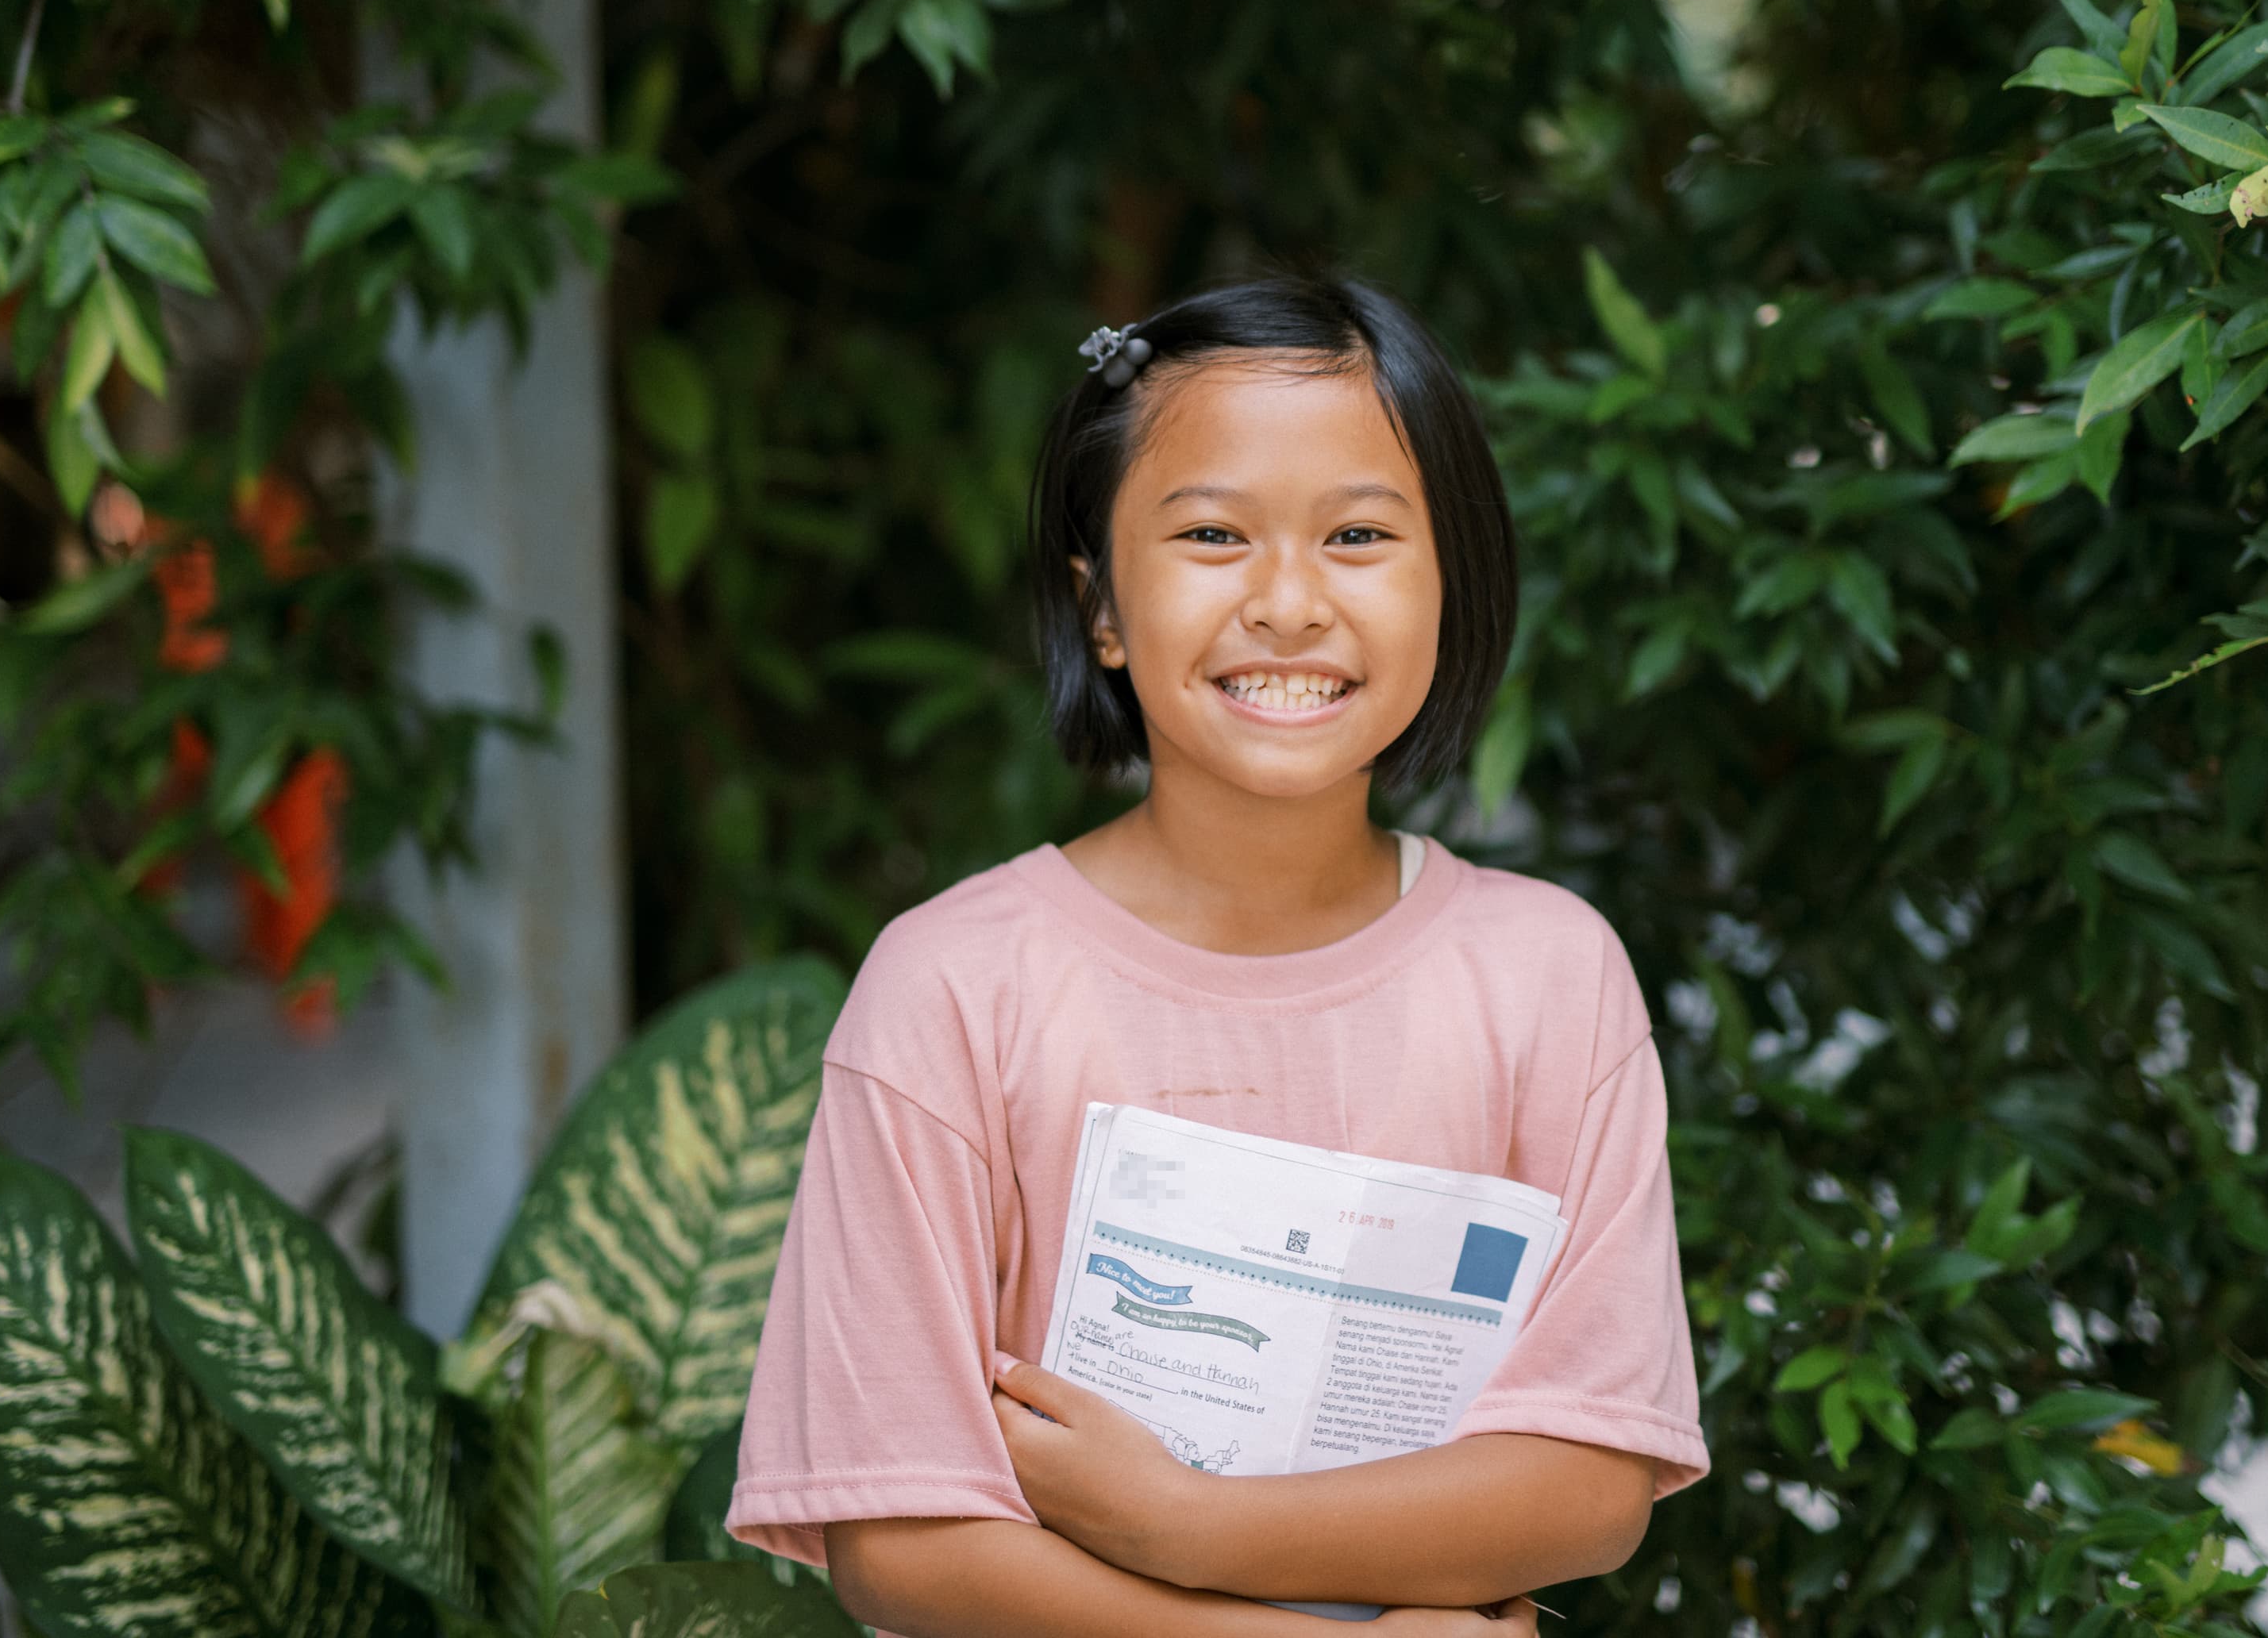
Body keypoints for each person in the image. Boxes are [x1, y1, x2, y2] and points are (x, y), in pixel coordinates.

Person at [726, 275, 1706, 1637]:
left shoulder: (1549, 978)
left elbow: (1592, 1483)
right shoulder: (953, 988)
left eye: (1359, 533)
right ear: (1102, 608)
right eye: (1212, 535)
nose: (1290, 603)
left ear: (1453, 583)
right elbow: (899, 1540)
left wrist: (1186, 1522)